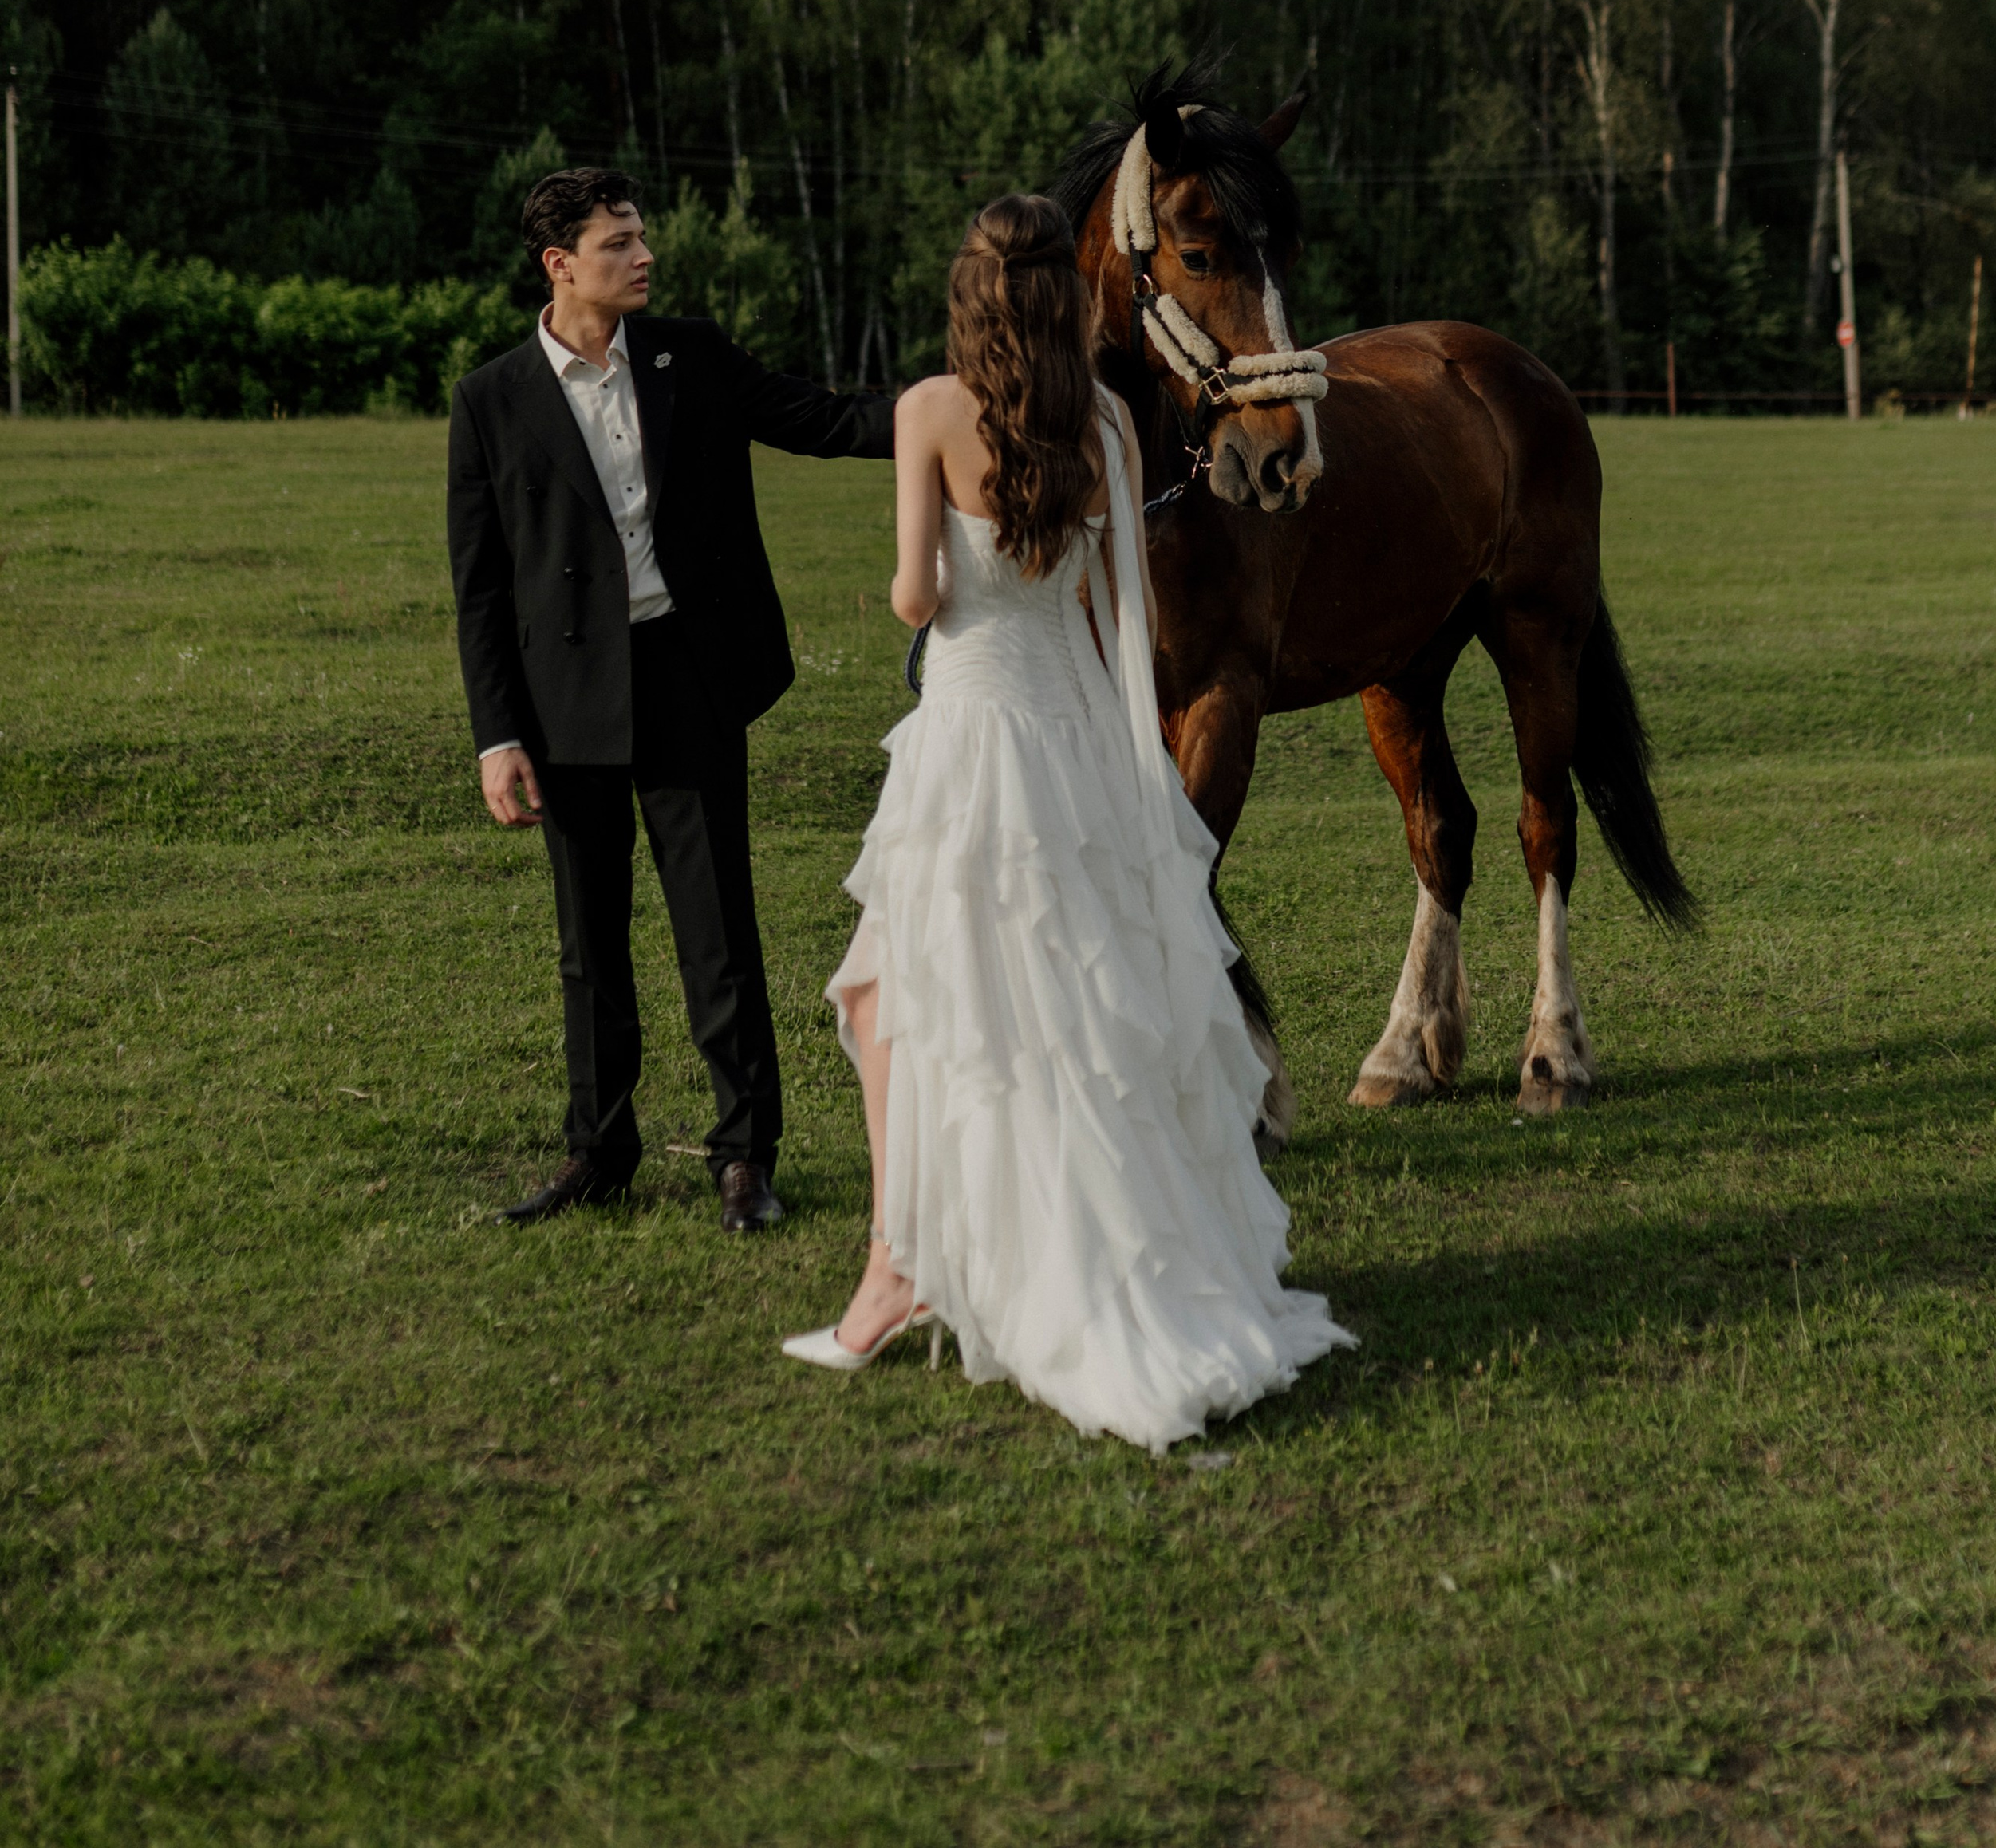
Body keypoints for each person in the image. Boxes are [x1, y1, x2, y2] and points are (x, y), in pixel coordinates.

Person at [782, 194, 1352, 1451]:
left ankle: (911, 1264)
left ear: (972, 296)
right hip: (1078, 741)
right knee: (1061, 1016)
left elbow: (914, 598)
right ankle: (967, 1257)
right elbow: (1121, 608)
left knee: (907, 1000)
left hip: (971, 739)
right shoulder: (1107, 425)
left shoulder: (931, 412)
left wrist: (945, 574)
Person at [447, 166, 893, 1233]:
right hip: (565, 700)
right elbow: (480, 587)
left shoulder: (689, 354)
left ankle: (745, 1158)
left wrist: (970, 402)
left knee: (718, 927)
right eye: (619, 244)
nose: (645, 256)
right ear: (560, 265)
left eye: (641, 237)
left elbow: (826, 419)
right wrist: (497, 736)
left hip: (689, 675)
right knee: (589, 940)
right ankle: (598, 1153)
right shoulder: (490, 399)